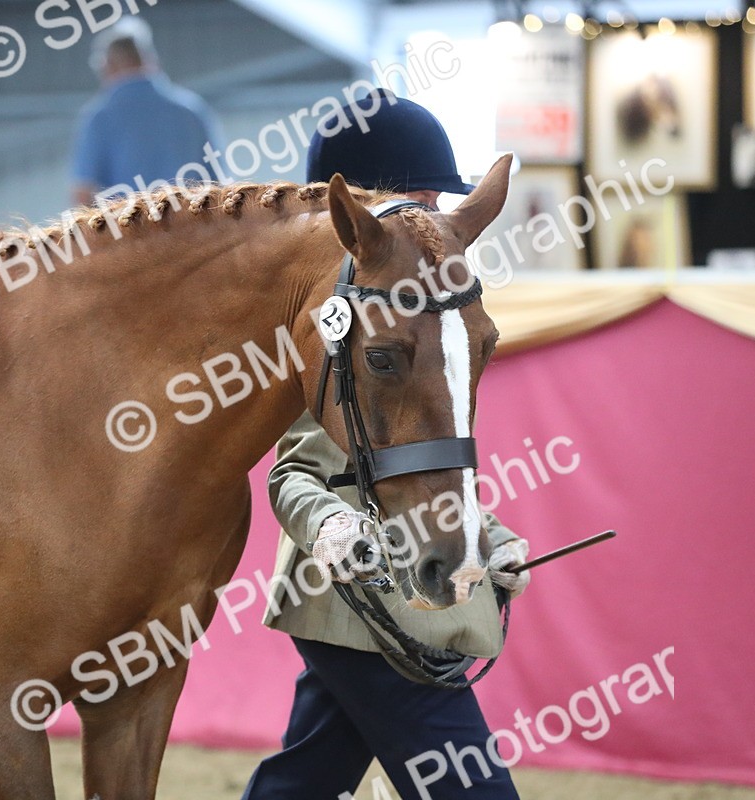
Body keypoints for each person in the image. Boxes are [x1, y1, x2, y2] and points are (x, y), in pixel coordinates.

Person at [241, 91, 530, 800]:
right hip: (367, 600)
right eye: (423, 198)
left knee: (304, 781)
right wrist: (333, 524)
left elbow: (431, 458)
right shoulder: (344, 333)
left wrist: (487, 534)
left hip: (401, 594)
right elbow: (297, 471)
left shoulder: (426, 323)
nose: (433, 218)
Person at [69, 18, 223, 208]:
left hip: (130, 234)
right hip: (192, 232)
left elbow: (83, 195)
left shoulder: (99, 117)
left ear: (108, 66)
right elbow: (218, 188)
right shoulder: (193, 110)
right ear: (149, 60)